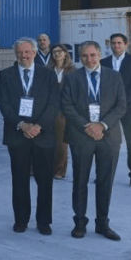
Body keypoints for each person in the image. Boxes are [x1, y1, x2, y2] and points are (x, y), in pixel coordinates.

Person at [61, 41, 126, 241]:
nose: (89, 59)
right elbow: (66, 105)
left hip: (108, 136)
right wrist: (87, 126)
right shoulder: (72, 78)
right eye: (84, 56)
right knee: (80, 180)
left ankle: (102, 223)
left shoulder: (114, 77)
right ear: (80, 57)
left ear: (99, 54)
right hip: (81, 136)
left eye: (92, 55)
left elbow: (121, 106)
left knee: (105, 181)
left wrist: (102, 125)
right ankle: (80, 222)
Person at [0, 38, 59, 235]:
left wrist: (38, 126)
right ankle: (21, 220)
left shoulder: (48, 74)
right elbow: (4, 104)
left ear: (34, 52)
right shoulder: (5, 75)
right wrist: (22, 125)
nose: (23, 56)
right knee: (19, 180)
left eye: (27, 52)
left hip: (43, 135)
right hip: (17, 135)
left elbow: (54, 104)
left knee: (45, 182)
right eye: (20, 53)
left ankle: (44, 222)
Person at [101, 33, 131, 189]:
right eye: (113, 43)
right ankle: (103, 174)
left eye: (119, 43)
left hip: (129, 107)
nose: (116, 46)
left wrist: (122, 101)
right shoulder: (104, 62)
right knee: (106, 143)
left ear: (125, 44)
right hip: (108, 108)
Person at [46, 44, 75, 180]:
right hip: (47, 109)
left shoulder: (72, 71)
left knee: (61, 143)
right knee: (45, 140)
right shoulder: (47, 70)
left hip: (63, 110)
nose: (56, 54)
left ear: (65, 54)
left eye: (59, 51)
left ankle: (59, 170)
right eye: (54, 52)